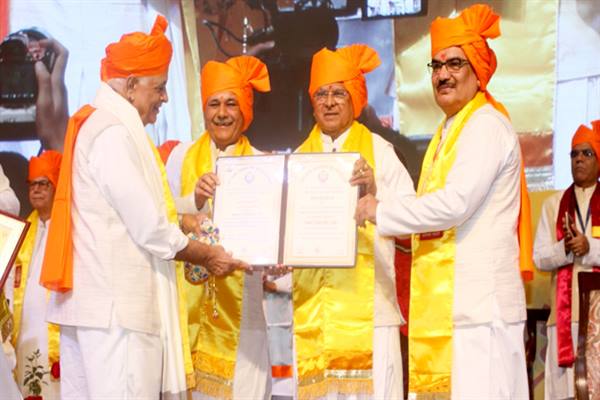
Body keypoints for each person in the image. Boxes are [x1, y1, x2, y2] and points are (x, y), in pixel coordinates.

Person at [39, 16, 248, 400]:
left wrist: (187, 212)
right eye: (160, 87)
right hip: (116, 317)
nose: (164, 98)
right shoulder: (113, 134)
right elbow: (149, 227)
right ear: (132, 85)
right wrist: (207, 255)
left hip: (103, 312)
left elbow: (129, 210)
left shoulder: (107, 126)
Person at [355, 4, 534, 399]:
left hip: (481, 308)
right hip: (459, 308)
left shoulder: (485, 124)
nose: (442, 75)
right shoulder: (450, 129)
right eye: (436, 66)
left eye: (455, 63)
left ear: (477, 69)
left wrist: (380, 211)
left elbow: (454, 204)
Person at [292, 43, 413, 399]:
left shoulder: (382, 152)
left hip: (372, 312)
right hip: (316, 312)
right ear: (312, 101)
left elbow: (413, 221)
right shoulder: (296, 161)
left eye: (339, 93)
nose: (329, 102)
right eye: (321, 94)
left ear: (355, 98)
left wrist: (376, 193)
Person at [165, 55, 271, 399]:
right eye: (214, 104)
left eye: (231, 103)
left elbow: (271, 234)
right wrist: (194, 200)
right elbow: (161, 217)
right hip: (187, 308)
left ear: (245, 110)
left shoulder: (263, 164)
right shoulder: (180, 157)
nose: (222, 113)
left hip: (245, 310)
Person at [534, 120, 600, 400]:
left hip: (598, 320)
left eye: (587, 153)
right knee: (563, 395)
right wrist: (566, 248)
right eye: (574, 154)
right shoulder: (553, 204)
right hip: (563, 320)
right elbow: (539, 258)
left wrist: (589, 247)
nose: (579, 159)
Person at [4, 150, 62, 399]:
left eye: (43, 183)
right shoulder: (24, 232)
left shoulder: (70, 232)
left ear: (57, 186)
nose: (36, 189)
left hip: (57, 336)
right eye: (32, 184)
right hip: (25, 333)